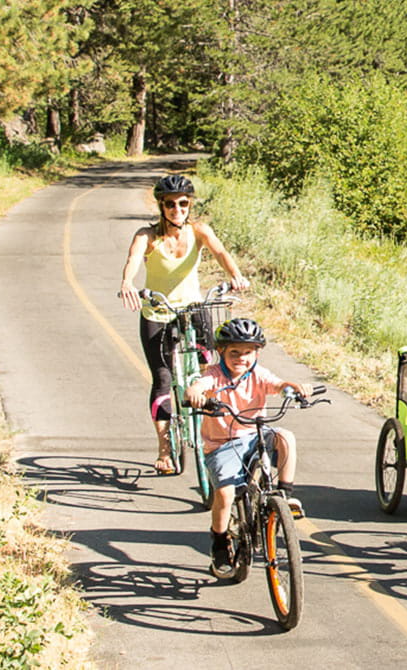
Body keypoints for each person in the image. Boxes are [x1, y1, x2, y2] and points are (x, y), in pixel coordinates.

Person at [116, 172, 250, 475]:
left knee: (210, 371)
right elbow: (134, 257)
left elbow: (220, 252)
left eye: (183, 203)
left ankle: (216, 431)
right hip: (157, 312)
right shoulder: (147, 235)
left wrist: (235, 275)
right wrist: (127, 282)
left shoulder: (199, 230)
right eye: (170, 204)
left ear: (190, 204)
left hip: (193, 309)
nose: (177, 209)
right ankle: (164, 449)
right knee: (162, 379)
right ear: (161, 207)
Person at [187, 317, 296, 578]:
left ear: (256, 353)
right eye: (234, 352)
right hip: (222, 445)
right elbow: (200, 385)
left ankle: (285, 494)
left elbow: (277, 384)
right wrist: (195, 393)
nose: (241, 358)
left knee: (286, 437)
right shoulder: (214, 374)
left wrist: (291, 387)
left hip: (254, 433)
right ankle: (220, 541)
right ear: (221, 352)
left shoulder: (258, 374)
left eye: (248, 352)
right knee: (224, 495)